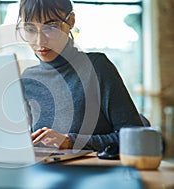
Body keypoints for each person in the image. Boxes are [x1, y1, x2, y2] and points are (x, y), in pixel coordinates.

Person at [16, 0, 144, 151]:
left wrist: (71, 142)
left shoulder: (97, 67)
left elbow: (137, 137)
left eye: (51, 27)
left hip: (92, 170)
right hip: (44, 170)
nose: (40, 41)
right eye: (30, 29)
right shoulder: (28, 78)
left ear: (70, 21)